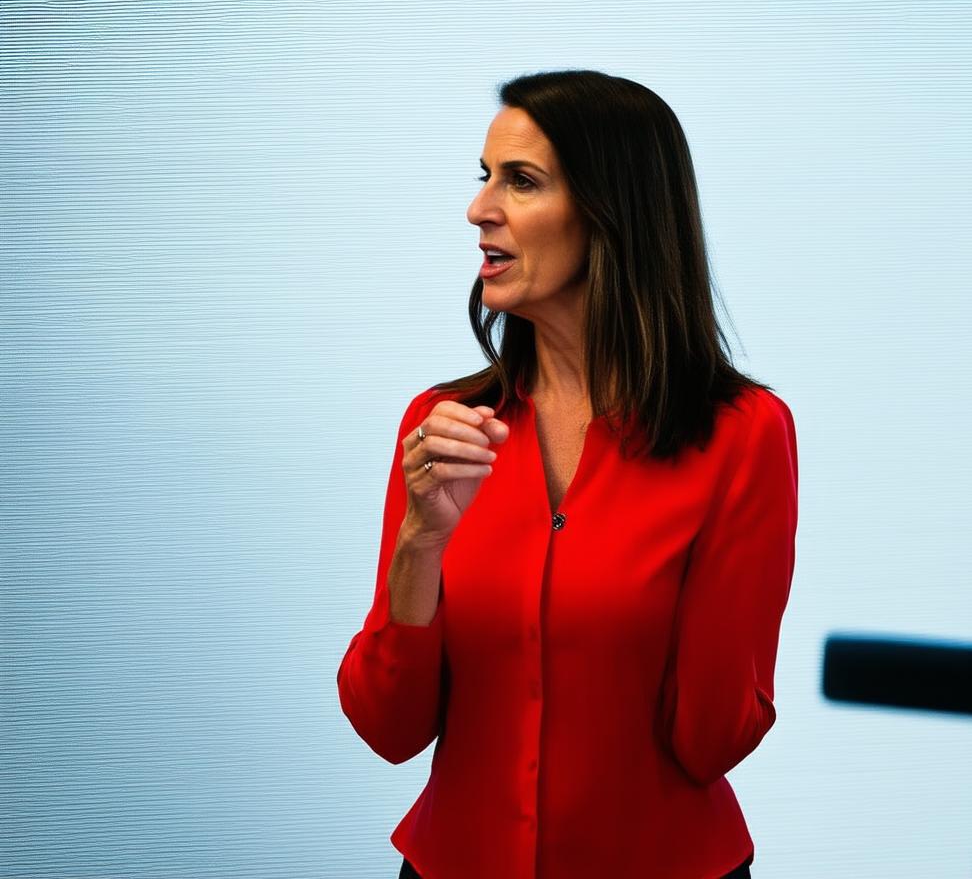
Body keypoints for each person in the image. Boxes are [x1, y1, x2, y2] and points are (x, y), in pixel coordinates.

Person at [337, 69, 798, 879]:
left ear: (613, 213)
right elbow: (388, 728)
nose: (480, 209)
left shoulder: (744, 436)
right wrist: (420, 540)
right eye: (486, 178)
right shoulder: (437, 429)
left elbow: (713, 738)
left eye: (521, 181)